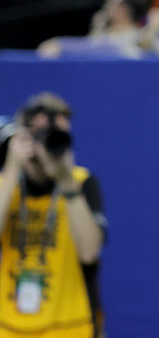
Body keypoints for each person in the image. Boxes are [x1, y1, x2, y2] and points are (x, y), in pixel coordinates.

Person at [0, 93, 107, 338]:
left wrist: (65, 180)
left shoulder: (81, 183)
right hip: (9, 328)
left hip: (72, 328)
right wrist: (12, 166)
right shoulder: (6, 186)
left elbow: (90, 252)